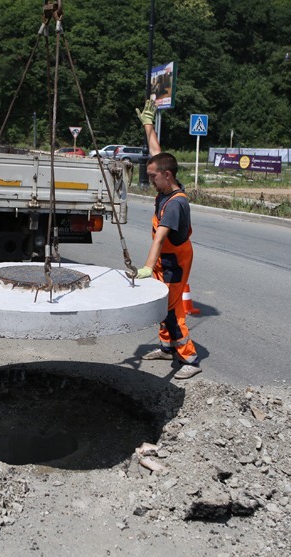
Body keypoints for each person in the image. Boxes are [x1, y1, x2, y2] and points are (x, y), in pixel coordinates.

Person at [132, 99, 202, 380]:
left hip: (174, 260)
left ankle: (190, 358)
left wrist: (146, 268)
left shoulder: (174, 204)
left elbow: (159, 239)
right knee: (162, 303)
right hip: (167, 258)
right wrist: (148, 125)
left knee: (172, 309)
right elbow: (157, 154)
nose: (150, 181)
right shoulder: (165, 184)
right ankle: (166, 346)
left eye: (152, 177)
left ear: (167, 175)